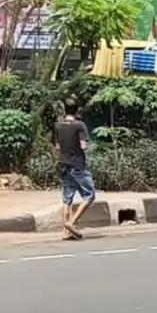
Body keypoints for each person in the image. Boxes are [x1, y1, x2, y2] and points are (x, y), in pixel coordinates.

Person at [54, 98, 95, 240]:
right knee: (89, 195)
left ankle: (66, 232)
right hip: (77, 166)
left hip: (63, 165)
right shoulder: (80, 125)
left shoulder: (58, 126)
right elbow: (83, 145)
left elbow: (57, 146)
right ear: (77, 110)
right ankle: (71, 223)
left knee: (67, 199)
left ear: (65, 110)